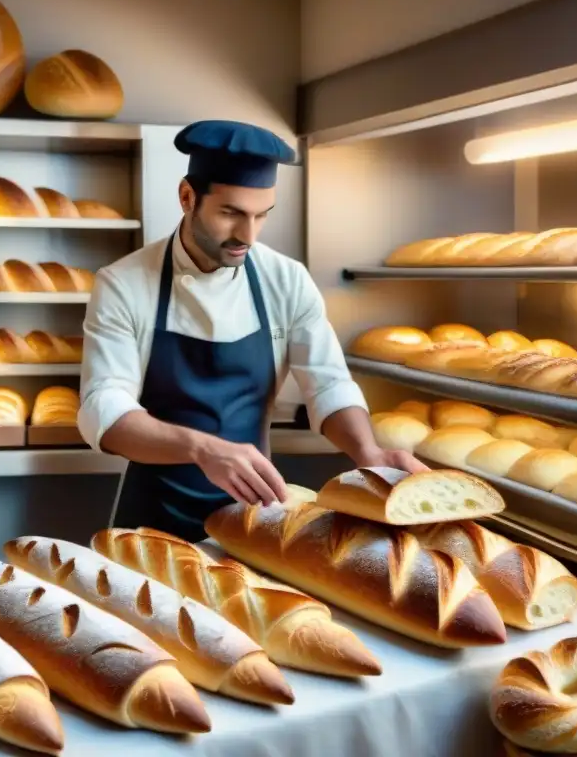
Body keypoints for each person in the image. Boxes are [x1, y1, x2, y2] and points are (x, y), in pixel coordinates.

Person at [77, 119, 428, 541]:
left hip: (254, 518)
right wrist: (202, 449)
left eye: (261, 215)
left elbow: (328, 383)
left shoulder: (286, 279)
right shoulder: (124, 283)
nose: (247, 234)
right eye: (231, 213)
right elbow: (105, 409)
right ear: (187, 197)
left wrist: (367, 452)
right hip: (153, 520)